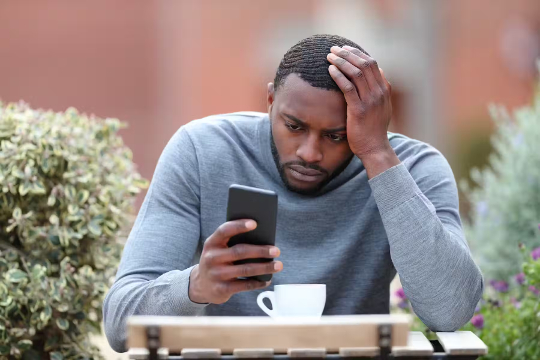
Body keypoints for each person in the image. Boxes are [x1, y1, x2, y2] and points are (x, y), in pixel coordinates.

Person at [103, 34, 484, 352]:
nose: (309, 153)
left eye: (336, 135)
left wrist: (376, 152)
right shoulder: (201, 152)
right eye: (294, 126)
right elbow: (120, 326)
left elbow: (449, 311)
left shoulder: (412, 167)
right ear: (270, 101)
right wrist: (195, 286)